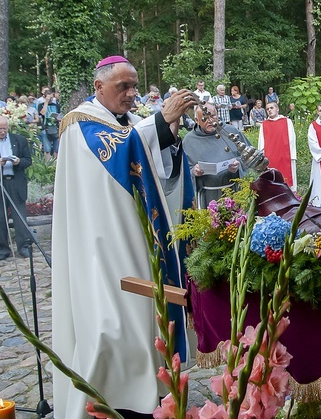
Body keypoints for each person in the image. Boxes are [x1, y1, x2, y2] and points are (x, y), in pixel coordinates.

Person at [52, 56, 197, 419]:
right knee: (110, 331)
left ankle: (151, 395)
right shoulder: (79, 126)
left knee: (147, 324)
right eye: (124, 87)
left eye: (135, 86)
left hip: (139, 242)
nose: (133, 94)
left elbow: (155, 170)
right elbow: (121, 153)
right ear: (99, 86)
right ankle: (107, 403)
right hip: (104, 250)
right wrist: (161, 122)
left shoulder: (132, 123)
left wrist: (170, 137)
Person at [183, 102, 251, 208]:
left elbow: (249, 155)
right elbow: (184, 171)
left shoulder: (231, 132)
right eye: (204, 118)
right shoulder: (189, 140)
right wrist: (194, 171)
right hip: (207, 196)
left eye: (212, 116)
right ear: (197, 121)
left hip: (233, 191)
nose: (210, 121)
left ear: (217, 114)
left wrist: (239, 164)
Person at [0, 115, 33, 260]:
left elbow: (28, 160)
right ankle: (2, 250)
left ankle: (24, 247)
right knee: (0, 219)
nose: (2, 131)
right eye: (0, 128)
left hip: (15, 181)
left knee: (20, 218)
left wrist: (19, 162)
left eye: (5, 128)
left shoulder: (18, 140)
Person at [258, 101, 297, 191]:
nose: (270, 110)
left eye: (272, 108)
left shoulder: (287, 121)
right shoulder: (264, 124)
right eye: (268, 109)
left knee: (287, 180)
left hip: (285, 156)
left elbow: (292, 139)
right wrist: (262, 160)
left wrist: (291, 155)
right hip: (271, 157)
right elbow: (261, 143)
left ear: (277, 109)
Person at [37, 88, 61, 161]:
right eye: (49, 97)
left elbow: (60, 116)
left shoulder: (56, 105)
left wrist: (57, 119)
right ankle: (47, 163)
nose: (51, 99)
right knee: (47, 148)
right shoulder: (41, 105)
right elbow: (43, 113)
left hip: (55, 127)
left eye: (51, 97)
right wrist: (46, 102)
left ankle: (56, 163)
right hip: (45, 128)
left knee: (56, 148)